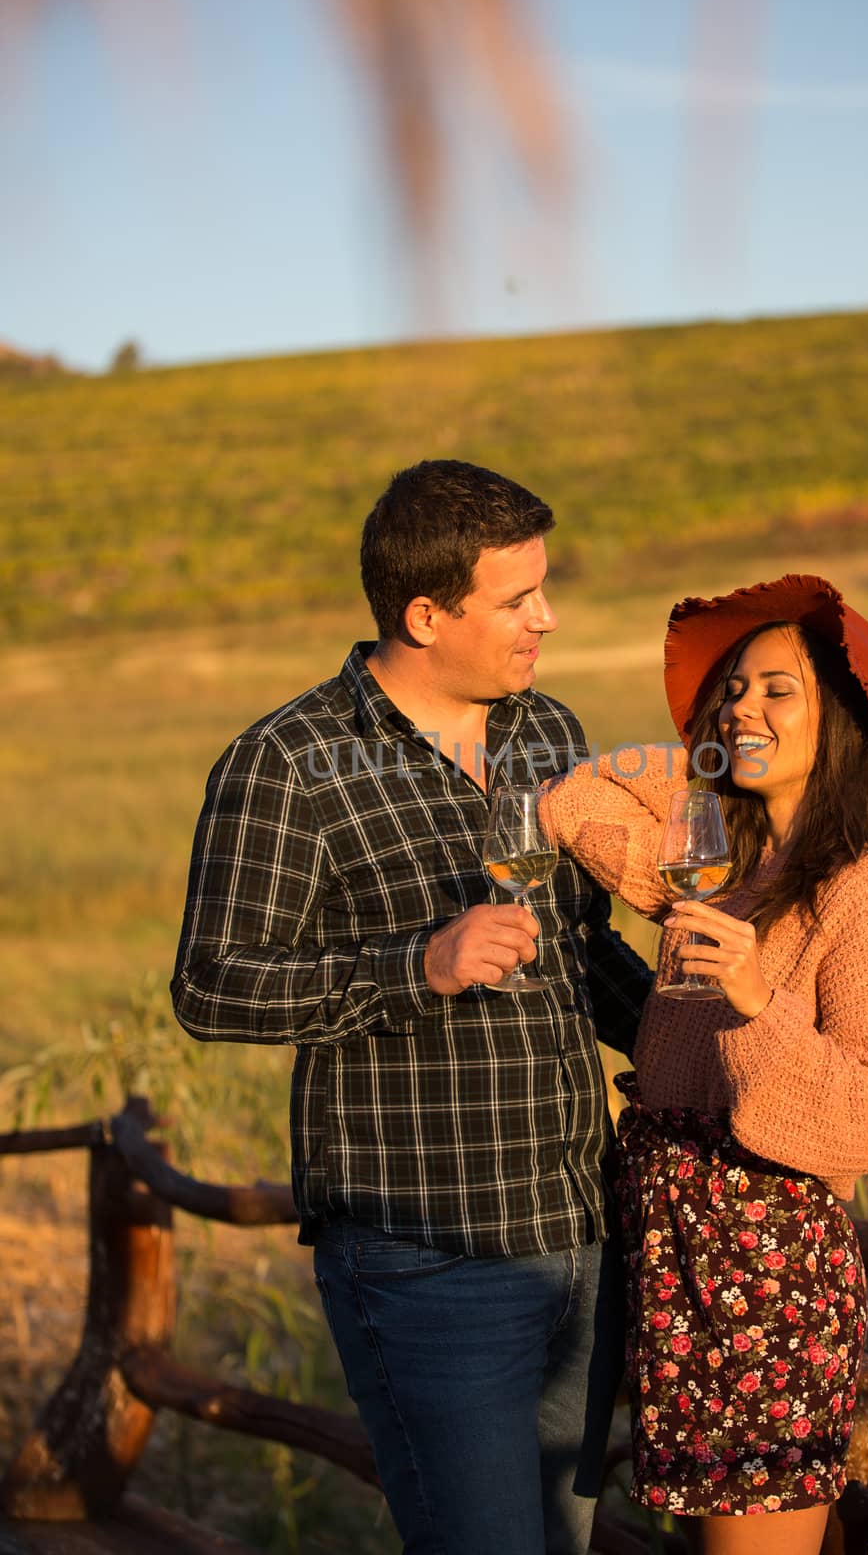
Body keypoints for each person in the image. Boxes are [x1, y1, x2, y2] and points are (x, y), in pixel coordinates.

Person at [171, 460, 652, 1555]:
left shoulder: (546, 732)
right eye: (517, 599)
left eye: (544, 588)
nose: (549, 617)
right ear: (423, 614)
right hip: (425, 1255)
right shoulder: (285, 763)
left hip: (575, 1236)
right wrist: (415, 967)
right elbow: (210, 983)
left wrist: (705, 1032)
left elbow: (578, 953)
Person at [541, 573, 868, 1555]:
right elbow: (572, 797)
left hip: (763, 1275)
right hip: (675, 1257)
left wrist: (759, 1002)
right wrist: (707, 763)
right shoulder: (713, 865)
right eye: (732, 690)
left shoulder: (867, 895)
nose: (739, 706)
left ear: (840, 721)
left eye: (776, 691)